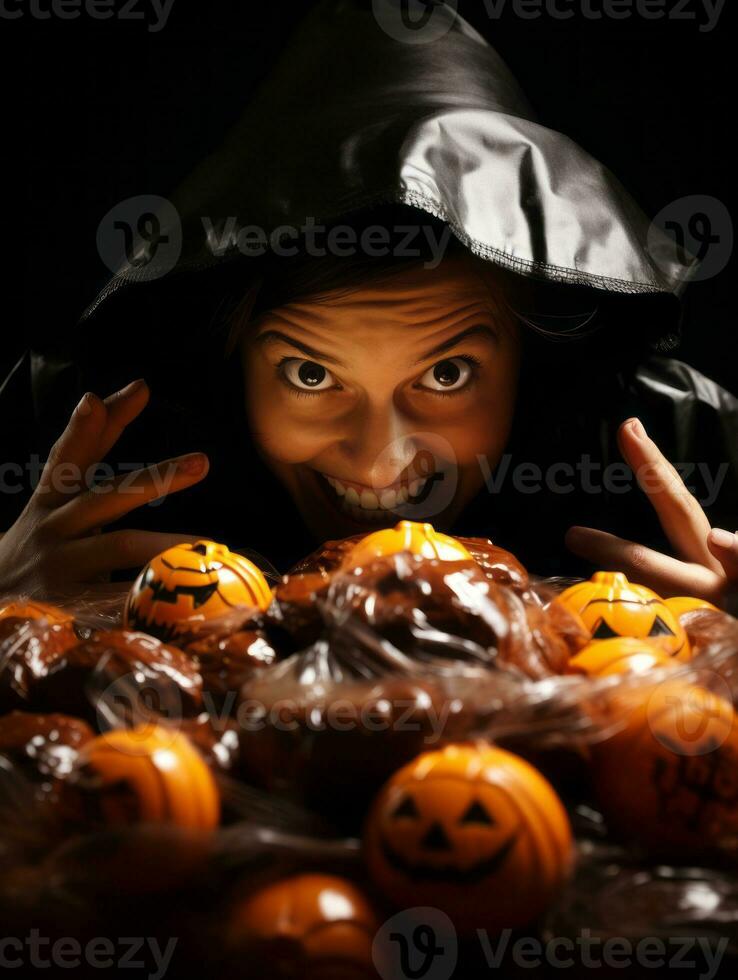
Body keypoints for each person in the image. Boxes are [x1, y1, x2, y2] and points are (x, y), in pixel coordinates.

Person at [1, 0, 736, 604]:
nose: (383, 466)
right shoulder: (46, 451)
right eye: (311, 375)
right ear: (231, 349)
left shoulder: (700, 449)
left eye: (447, 374)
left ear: (529, 352)